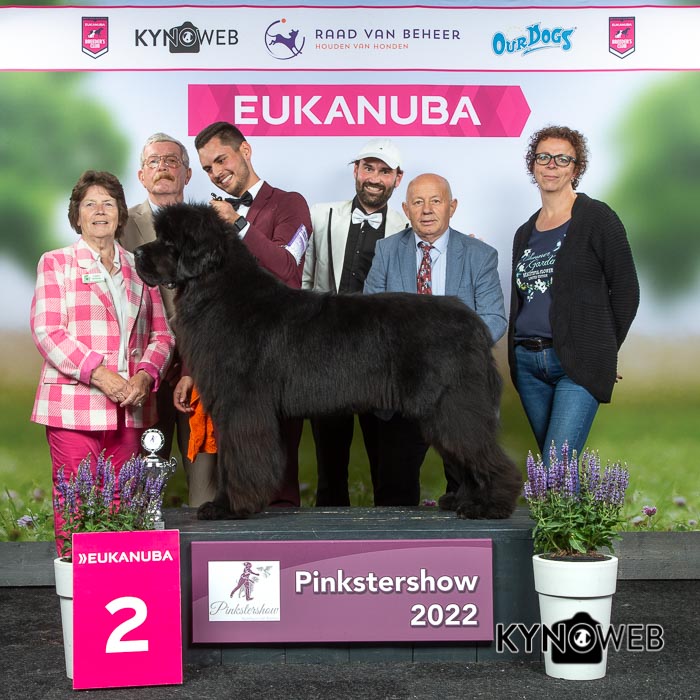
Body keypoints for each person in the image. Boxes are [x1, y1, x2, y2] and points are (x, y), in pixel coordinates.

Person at [30, 170, 175, 551]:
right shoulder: (56, 263)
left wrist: (146, 375)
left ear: (120, 214)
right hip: (74, 407)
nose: (99, 211)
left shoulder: (140, 267)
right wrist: (99, 374)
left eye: (108, 204)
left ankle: (115, 584)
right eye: (90, 204)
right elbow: (48, 331)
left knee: (123, 506)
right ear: (76, 215)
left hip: (131, 407)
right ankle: (76, 584)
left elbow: (163, 335)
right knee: (77, 504)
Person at [174, 121, 312, 507]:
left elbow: (287, 269)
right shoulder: (209, 219)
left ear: (245, 151)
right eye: (207, 168)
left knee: (280, 465)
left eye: (221, 160)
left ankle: (285, 528)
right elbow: (203, 300)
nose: (216, 172)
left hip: (280, 355)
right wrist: (189, 369)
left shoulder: (290, 204)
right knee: (235, 462)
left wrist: (237, 224)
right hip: (229, 365)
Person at [364, 173, 507, 505]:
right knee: (393, 494)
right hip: (399, 392)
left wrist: (446, 353)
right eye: (417, 202)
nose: (426, 210)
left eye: (435, 201)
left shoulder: (480, 255)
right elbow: (369, 319)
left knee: (466, 490)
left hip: (458, 387)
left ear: (451, 207)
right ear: (406, 210)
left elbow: (494, 318)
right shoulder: (386, 251)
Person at [509, 125, 639, 462]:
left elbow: (627, 290)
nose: (551, 165)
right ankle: (577, 503)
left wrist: (603, 351)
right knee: (555, 473)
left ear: (576, 168)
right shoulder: (524, 232)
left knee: (557, 465)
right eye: (543, 157)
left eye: (562, 159)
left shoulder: (597, 218)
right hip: (528, 364)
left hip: (577, 362)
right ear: (533, 165)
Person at [302, 138, 408, 506]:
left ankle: (389, 532)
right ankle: (328, 530)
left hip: (382, 358)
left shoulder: (407, 226)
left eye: (384, 171)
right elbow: (304, 279)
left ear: (397, 178)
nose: (374, 178)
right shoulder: (321, 215)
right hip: (327, 353)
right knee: (329, 461)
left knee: (386, 458)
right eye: (368, 168)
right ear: (356, 171)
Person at [121, 132, 204, 503]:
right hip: (143, 368)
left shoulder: (207, 224)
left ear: (188, 174)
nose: (163, 168)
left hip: (201, 365)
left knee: (206, 482)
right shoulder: (119, 224)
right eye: (154, 162)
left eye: (172, 161)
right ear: (141, 175)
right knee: (140, 485)